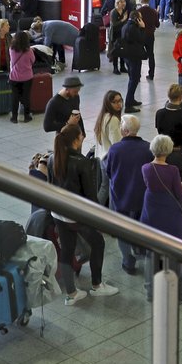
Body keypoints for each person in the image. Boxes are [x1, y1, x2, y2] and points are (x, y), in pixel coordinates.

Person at [50, 124, 119, 305]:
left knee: (67, 250)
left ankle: (71, 294)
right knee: (98, 242)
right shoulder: (81, 162)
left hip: (58, 212)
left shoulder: (53, 158)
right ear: (76, 139)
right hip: (76, 215)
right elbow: (90, 195)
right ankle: (97, 285)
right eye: (81, 135)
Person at [140, 134, 182, 302]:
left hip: (151, 212)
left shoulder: (146, 168)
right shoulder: (172, 170)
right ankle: (175, 291)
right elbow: (180, 194)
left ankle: (150, 290)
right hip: (170, 214)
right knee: (174, 252)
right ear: (168, 151)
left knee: (151, 253)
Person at [104, 114, 153, 276]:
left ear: (124, 131)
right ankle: (142, 253)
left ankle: (128, 261)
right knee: (142, 228)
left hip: (121, 198)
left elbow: (109, 172)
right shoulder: (148, 148)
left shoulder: (115, 149)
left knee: (123, 231)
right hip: (142, 198)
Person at [119, 11, 147, 113]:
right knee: (134, 80)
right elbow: (142, 39)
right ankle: (128, 104)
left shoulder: (125, 26)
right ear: (137, 19)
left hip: (127, 56)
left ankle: (131, 99)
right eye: (140, 18)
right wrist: (143, 28)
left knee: (132, 78)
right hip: (134, 56)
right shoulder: (133, 28)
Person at [8, 30, 35, 123]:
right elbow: (33, 61)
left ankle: (14, 117)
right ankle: (27, 117)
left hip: (14, 77)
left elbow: (12, 60)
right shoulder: (29, 51)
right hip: (27, 78)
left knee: (14, 97)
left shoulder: (11, 49)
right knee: (26, 97)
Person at [137, 0, 160, 80]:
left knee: (138, 55)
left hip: (140, 35)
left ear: (140, 1)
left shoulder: (138, 11)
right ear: (148, 1)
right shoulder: (153, 12)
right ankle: (151, 74)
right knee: (151, 54)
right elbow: (157, 25)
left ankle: (138, 75)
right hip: (150, 35)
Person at [109, 0, 128, 74]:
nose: (124, 4)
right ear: (118, 3)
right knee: (116, 51)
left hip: (122, 34)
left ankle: (122, 67)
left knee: (122, 51)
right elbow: (114, 24)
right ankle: (115, 68)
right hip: (115, 34)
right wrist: (123, 20)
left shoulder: (124, 11)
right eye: (122, 2)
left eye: (124, 2)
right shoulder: (114, 12)